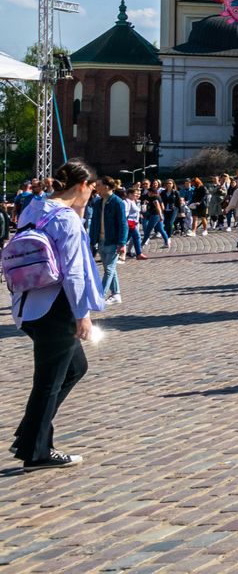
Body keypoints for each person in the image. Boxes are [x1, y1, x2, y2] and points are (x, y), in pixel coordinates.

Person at [9, 161, 103, 470]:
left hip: (28, 302)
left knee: (75, 368)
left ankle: (30, 434)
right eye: (92, 189)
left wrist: (79, 211)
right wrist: (82, 315)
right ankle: (36, 452)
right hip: (57, 306)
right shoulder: (66, 219)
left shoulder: (34, 208)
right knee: (48, 382)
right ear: (82, 185)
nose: (92, 194)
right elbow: (73, 272)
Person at [85, 181, 128, 307]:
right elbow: (94, 223)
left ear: (107, 187)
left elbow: (123, 223)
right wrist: (92, 240)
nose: (96, 188)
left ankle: (99, 296)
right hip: (101, 240)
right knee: (109, 269)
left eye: (99, 185)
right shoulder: (98, 202)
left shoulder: (117, 202)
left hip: (113, 241)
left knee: (109, 270)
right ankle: (116, 294)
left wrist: (122, 242)